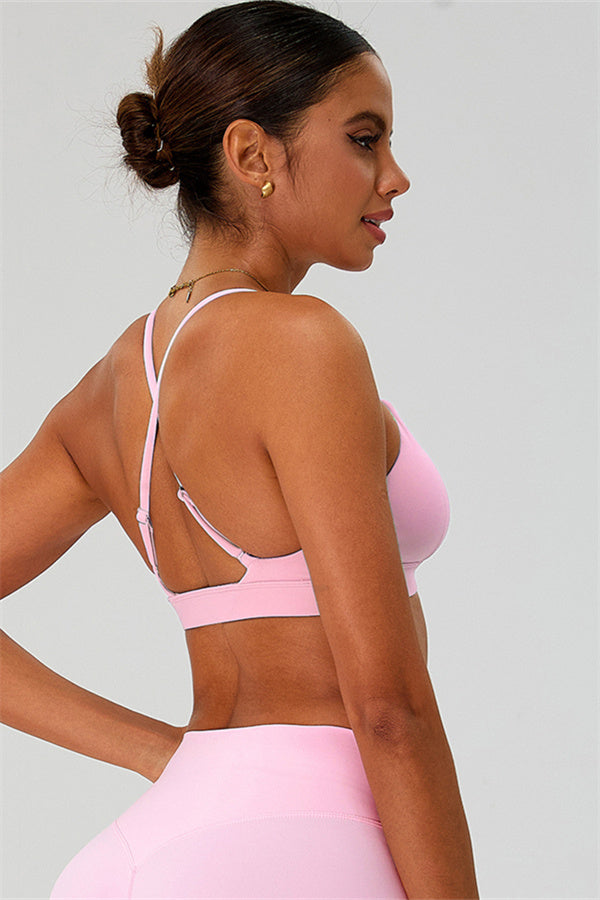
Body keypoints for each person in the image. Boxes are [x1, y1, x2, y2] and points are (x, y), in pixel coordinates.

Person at [0, 1, 479, 897]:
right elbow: (388, 710)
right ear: (253, 154)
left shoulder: (113, 387)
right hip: (311, 846)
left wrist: (162, 755)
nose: (396, 175)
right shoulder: (302, 342)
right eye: (365, 139)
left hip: (162, 847)